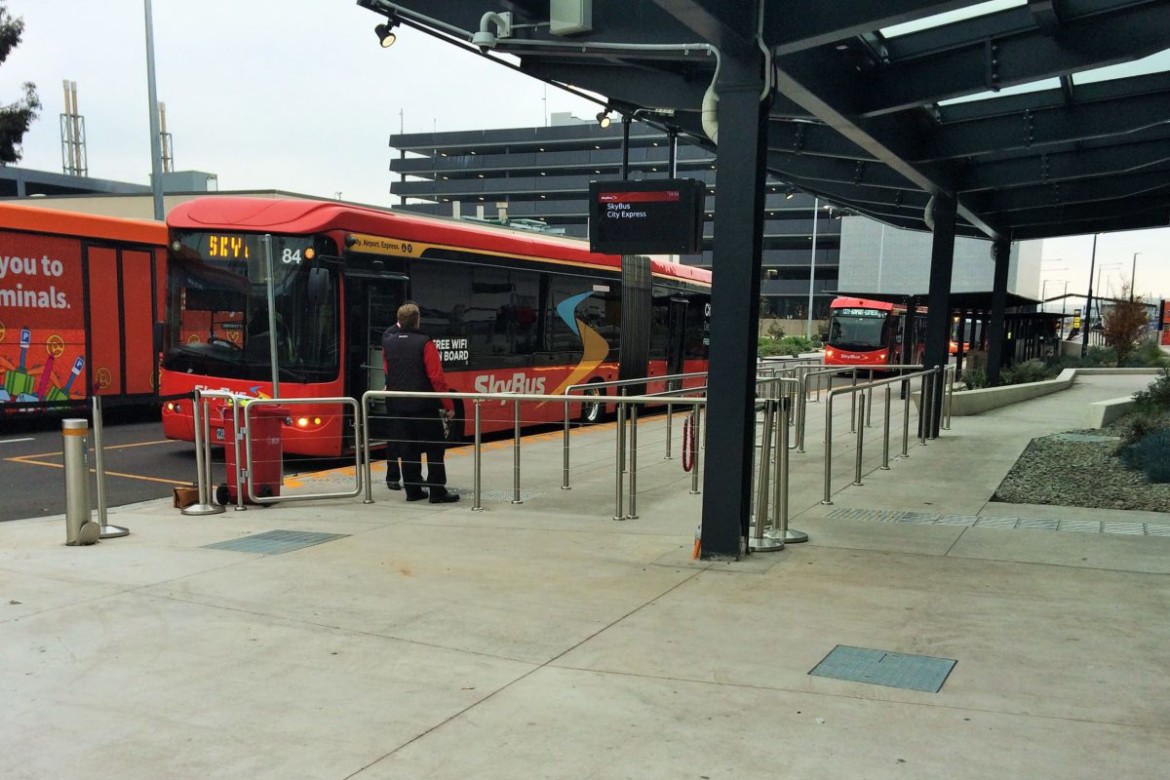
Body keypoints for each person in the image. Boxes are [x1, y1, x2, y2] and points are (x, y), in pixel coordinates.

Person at [381, 302, 459, 503]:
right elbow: (437, 378)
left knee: (408, 449)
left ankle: (413, 490)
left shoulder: (388, 343)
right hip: (424, 406)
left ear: (399, 320)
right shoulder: (425, 343)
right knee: (434, 448)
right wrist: (448, 405)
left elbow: (389, 372)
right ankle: (437, 491)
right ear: (417, 320)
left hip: (399, 406)